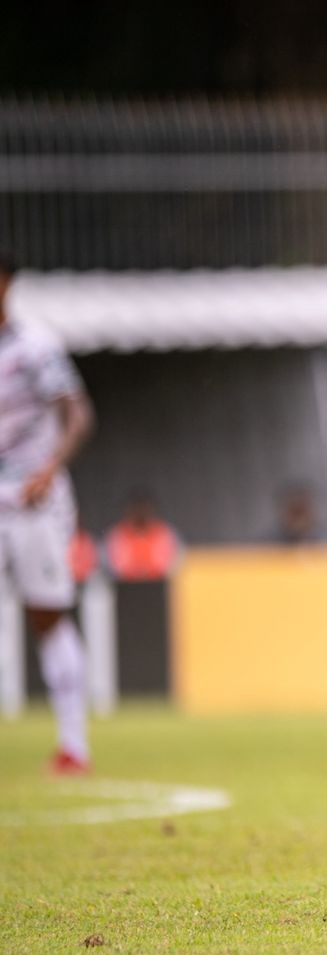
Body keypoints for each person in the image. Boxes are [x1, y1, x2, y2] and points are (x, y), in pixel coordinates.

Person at [0, 249, 96, 774]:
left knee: (47, 616)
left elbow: (78, 413)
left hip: (33, 501)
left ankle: (73, 745)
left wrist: (49, 467)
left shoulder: (35, 348)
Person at [105, 491, 183, 581]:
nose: (140, 512)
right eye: (136, 508)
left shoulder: (165, 533)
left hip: (157, 585)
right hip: (124, 586)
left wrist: (148, 573)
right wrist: (137, 573)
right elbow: (114, 567)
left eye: (144, 508)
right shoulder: (117, 534)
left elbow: (172, 565)